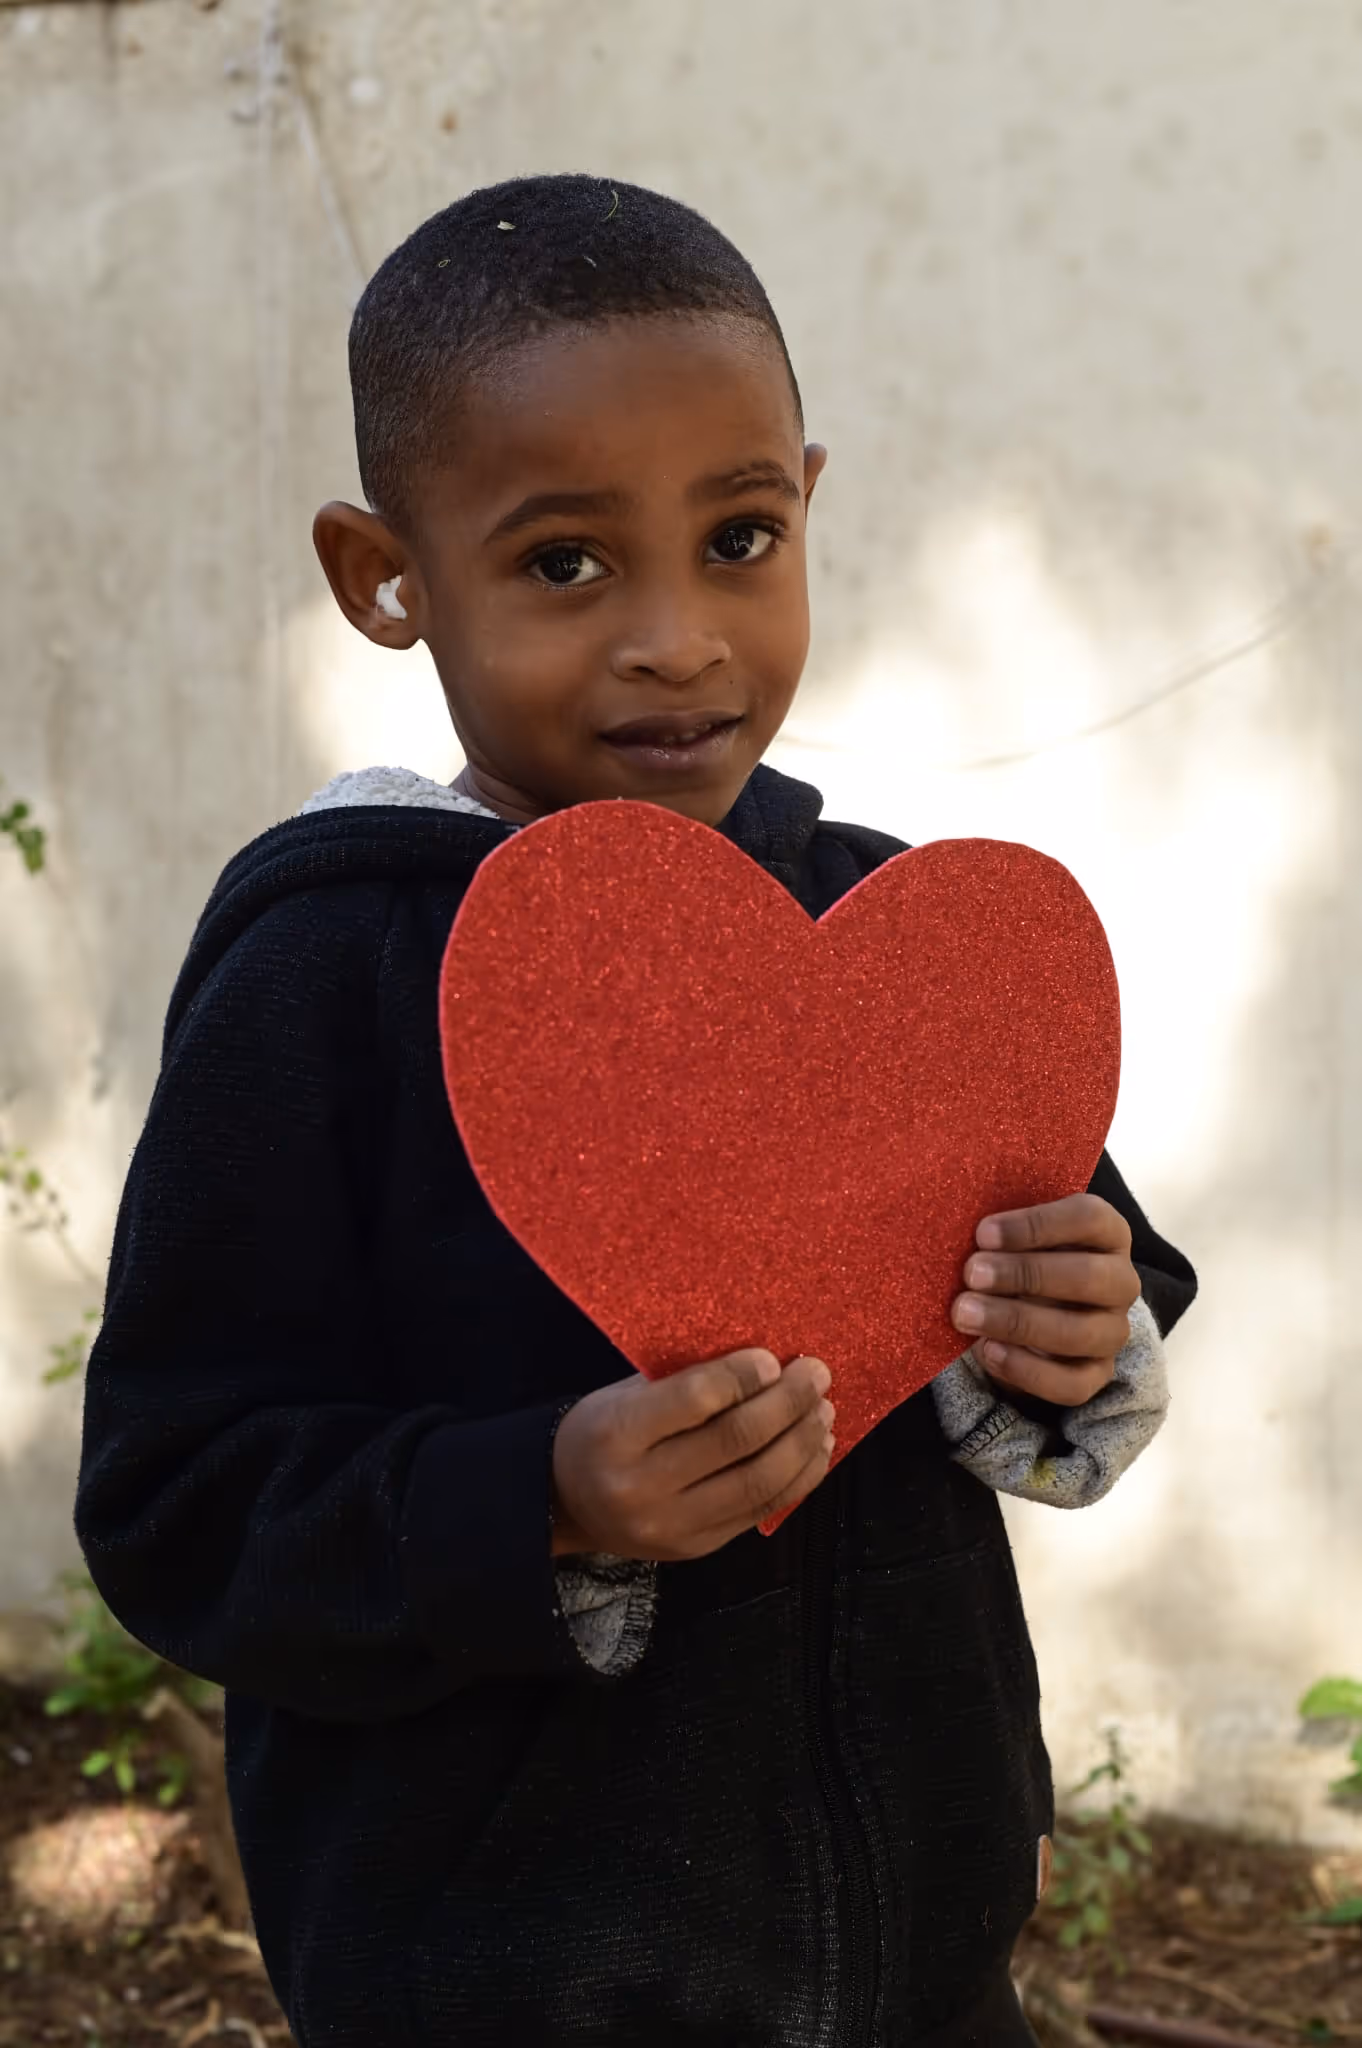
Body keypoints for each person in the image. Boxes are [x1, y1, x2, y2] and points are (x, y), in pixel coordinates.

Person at [75, 175, 1196, 2048]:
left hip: (920, 1972)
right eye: (565, 564)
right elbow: (183, 1504)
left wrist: (1080, 1327)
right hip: (496, 1982)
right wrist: (538, 1504)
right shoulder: (325, 969)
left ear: (810, 509)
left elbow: (1080, 1256)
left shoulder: (890, 935)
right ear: (385, 575)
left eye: (740, 536)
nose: (678, 637)